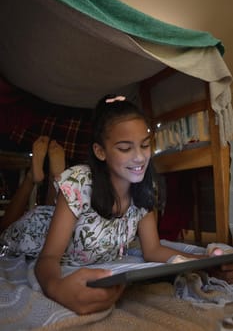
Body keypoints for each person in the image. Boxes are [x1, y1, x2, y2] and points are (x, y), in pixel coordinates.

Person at [30, 95, 233, 315]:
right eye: (125, 148)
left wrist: (208, 263)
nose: (139, 157)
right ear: (100, 152)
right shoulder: (79, 183)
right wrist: (56, 288)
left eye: (145, 145)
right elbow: (48, 258)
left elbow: (153, 249)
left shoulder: (143, 189)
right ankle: (45, 175)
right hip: (36, 229)